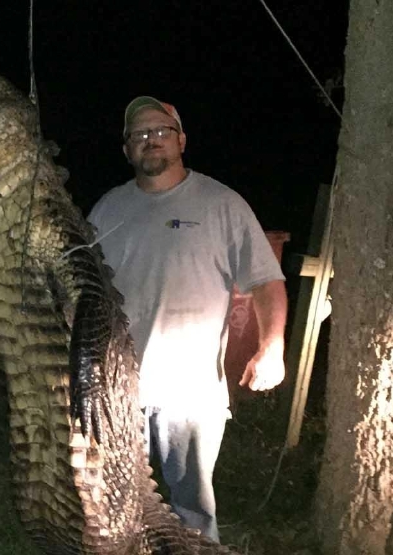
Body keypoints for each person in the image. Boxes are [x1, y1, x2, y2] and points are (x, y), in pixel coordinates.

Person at [86, 96, 288, 542]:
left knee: (192, 510)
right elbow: (85, 289)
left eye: (161, 130)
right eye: (139, 134)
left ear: (181, 140)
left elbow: (265, 280)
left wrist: (271, 347)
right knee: (113, 502)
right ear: (126, 149)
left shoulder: (221, 204)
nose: (151, 140)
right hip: (116, 388)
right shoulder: (107, 208)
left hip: (189, 392)